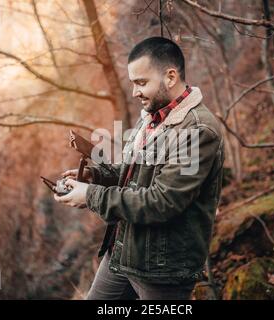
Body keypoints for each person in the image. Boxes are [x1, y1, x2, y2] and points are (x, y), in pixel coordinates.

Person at [55, 37, 224, 300]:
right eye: (133, 83)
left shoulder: (197, 132)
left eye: (141, 83)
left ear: (170, 77)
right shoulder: (152, 117)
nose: (135, 92)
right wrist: (96, 176)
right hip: (122, 252)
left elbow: (163, 201)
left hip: (162, 269)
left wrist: (90, 195)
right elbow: (133, 173)